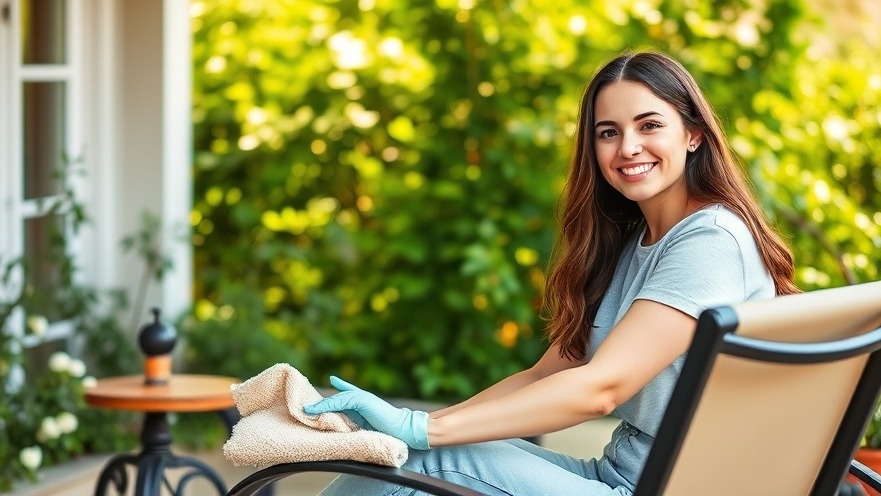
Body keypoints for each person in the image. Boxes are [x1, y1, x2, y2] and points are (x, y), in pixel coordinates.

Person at [304, 50, 799, 495]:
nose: (628, 147)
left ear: (692, 134)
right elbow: (546, 374)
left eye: (649, 125)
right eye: (609, 132)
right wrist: (414, 425)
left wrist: (422, 432)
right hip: (616, 476)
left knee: (429, 458)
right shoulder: (635, 242)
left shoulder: (710, 240)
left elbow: (600, 389)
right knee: (408, 461)